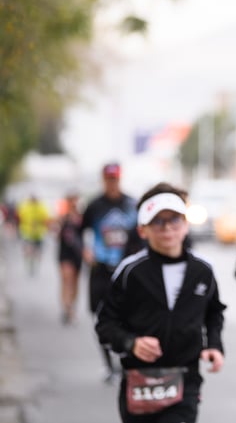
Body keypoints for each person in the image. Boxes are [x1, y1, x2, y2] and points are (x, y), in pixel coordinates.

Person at [95, 182, 226, 423]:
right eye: (158, 221)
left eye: (174, 220)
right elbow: (105, 323)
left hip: (185, 378)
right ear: (143, 230)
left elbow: (214, 312)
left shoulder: (202, 271)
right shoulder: (130, 272)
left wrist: (214, 345)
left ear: (185, 225)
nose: (167, 228)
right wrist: (131, 343)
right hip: (139, 378)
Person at [81, 162, 141, 383]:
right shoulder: (94, 206)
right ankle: (108, 365)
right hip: (101, 270)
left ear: (120, 179)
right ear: (103, 180)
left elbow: (142, 235)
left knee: (129, 318)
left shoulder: (132, 204)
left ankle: (126, 362)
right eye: (108, 179)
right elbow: (77, 232)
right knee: (100, 317)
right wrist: (85, 250)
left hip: (126, 271)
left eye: (115, 179)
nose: (112, 183)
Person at [57, 190, 84, 325]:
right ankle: (67, 308)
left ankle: (72, 305)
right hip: (65, 254)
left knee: (75, 282)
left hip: (77, 255)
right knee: (67, 280)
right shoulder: (63, 218)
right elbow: (57, 235)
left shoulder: (82, 219)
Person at [16, 193, 52, 276]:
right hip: (27, 232)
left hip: (38, 233)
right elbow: (20, 217)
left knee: (37, 251)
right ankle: (29, 264)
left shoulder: (41, 207)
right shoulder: (25, 207)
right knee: (28, 249)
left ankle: (34, 264)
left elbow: (46, 219)